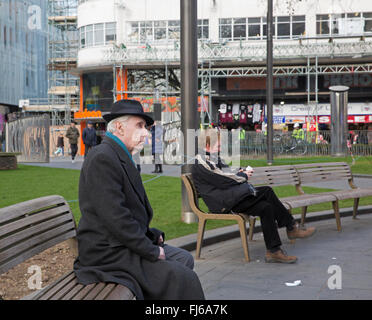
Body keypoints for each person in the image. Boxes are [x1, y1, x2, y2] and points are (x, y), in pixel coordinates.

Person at [73, 99, 205, 300]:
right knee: (184, 278)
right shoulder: (103, 158)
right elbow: (116, 219)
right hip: (107, 253)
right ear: (119, 127)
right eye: (140, 125)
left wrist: (150, 235)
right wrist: (151, 250)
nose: (145, 132)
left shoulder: (117, 154)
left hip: (119, 244)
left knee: (184, 258)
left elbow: (124, 213)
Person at [191, 129, 316, 264]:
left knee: (266, 207)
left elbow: (227, 172)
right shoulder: (201, 162)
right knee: (267, 191)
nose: (221, 148)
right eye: (219, 145)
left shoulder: (212, 157)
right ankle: (291, 227)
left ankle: (274, 251)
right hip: (224, 204)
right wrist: (243, 176)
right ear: (208, 145)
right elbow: (223, 180)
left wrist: (240, 171)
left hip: (231, 198)